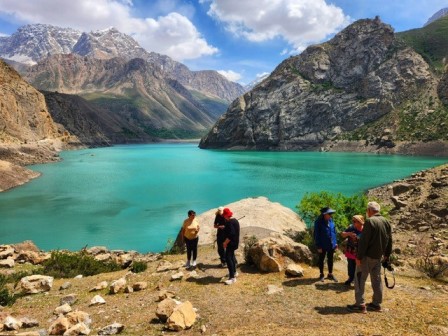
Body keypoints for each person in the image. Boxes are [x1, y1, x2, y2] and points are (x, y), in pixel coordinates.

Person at [347, 201, 392, 313]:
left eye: (367, 210)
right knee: (376, 280)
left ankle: (360, 305)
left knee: (359, 279)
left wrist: (358, 256)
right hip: (378, 257)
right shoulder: (386, 222)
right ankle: (376, 304)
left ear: (369, 211)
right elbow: (389, 240)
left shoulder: (370, 221)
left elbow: (364, 241)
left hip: (366, 257)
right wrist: (386, 255)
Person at [314, 207, 338, 282]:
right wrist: (318, 246)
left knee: (330, 259)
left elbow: (334, 232)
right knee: (321, 259)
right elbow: (316, 234)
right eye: (329, 214)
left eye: (331, 214)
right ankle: (321, 274)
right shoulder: (318, 222)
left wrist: (335, 243)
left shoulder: (331, 220)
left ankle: (330, 274)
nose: (331, 215)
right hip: (322, 244)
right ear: (324, 214)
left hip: (331, 244)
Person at [341, 215, 364, 286]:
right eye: (353, 221)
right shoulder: (351, 227)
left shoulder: (365, 230)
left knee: (359, 267)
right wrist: (349, 234)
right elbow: (342, 234)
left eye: (355, 221)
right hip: (350, 251)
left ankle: (358, 281)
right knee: (351, 265)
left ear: (360, 222)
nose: (353, 223)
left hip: (360, 252)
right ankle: (351, 278)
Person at [222, 207, 240, 285]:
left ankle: (232, 278)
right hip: (235, 243)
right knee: (232, 257)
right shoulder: (235, 220)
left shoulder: (229, 223)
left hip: (231, 243)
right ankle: (234, 272)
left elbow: (231, 234)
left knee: (228, 258)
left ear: (226, 215)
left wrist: (225, 243)